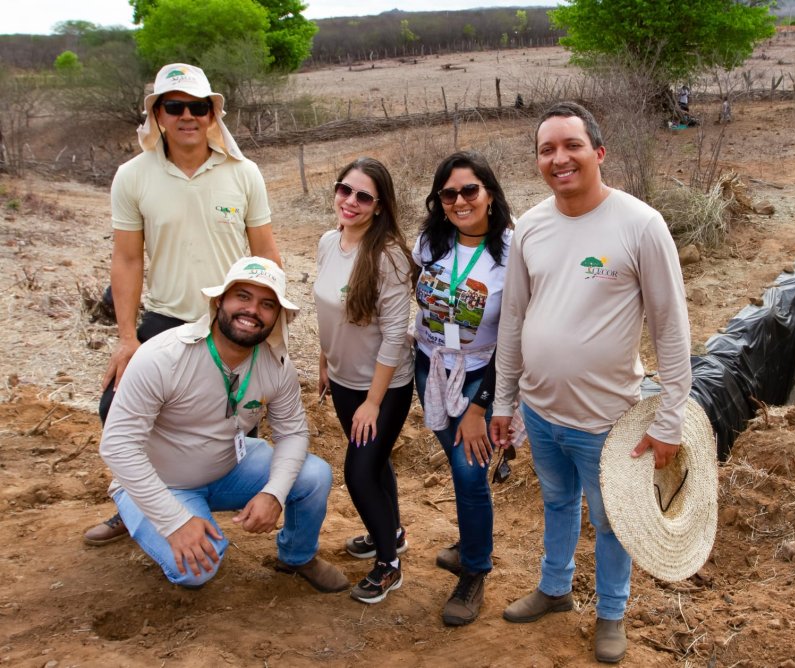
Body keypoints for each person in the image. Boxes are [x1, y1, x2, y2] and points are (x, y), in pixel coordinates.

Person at [490, 102, 691, 663]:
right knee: (556, 502)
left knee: (610, 519)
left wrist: (671, 418)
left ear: (598, 152)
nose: (560, 159)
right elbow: (513, 322)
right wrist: (505, 402)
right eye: (547, 149)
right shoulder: (528, 228)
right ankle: (554, 590)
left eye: (571, 146)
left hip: (608, 418)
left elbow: (672, 330)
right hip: (541, 411)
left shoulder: (639, 225)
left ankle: (611, 612)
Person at [84, 63, 281, 546]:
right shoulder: (133, 176)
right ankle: (133, 502)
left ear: (213, 113)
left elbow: (266, 254)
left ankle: (231, 496)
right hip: (168, 319)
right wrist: (128, 339)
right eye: (175, 106)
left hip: (234, 319)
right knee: (119, 407)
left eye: (198, 106)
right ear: (158, 114)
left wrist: (275, 329)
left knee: (235, 414)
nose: (187, 116)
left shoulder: (244, 173)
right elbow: (128, 260)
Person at [99, 257, 348, 592]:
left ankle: (297, 556)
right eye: (242, 297)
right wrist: (174, 521)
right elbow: (118, 445)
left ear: (278, 317)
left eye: (266, 304)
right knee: (195, 570)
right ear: (219, 302)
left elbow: (292, 432)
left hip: (228, 469)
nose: (252, 310)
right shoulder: (164, 356)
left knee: (314, 476)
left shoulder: (277, 366)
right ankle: (141, 513)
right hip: (165, 482)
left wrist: (274, 493)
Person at [411, 151, 514, 626]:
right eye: (448, 193)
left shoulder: (514, 253)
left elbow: (514, 338)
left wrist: (483, 405)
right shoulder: (430, 242)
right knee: (458, 467)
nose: (459, 201)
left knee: (470, 474)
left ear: (489, 193)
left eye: (469, 190)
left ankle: (475, 570)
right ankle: (470, 543)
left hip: (481, 373)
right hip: (429, 366)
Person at [314, 158, 416, 604]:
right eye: (345, 190)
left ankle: (389, 564)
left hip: (384, 387)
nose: (350, 202)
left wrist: (373, 403)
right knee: (374, 465)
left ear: (379, 206)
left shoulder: (388, 255)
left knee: (357, 473)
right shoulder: (326, 242)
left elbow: (395, 333)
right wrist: (325, 361)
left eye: (363, 196)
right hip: (342, 379)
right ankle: (389, 532)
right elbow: (326, 310)